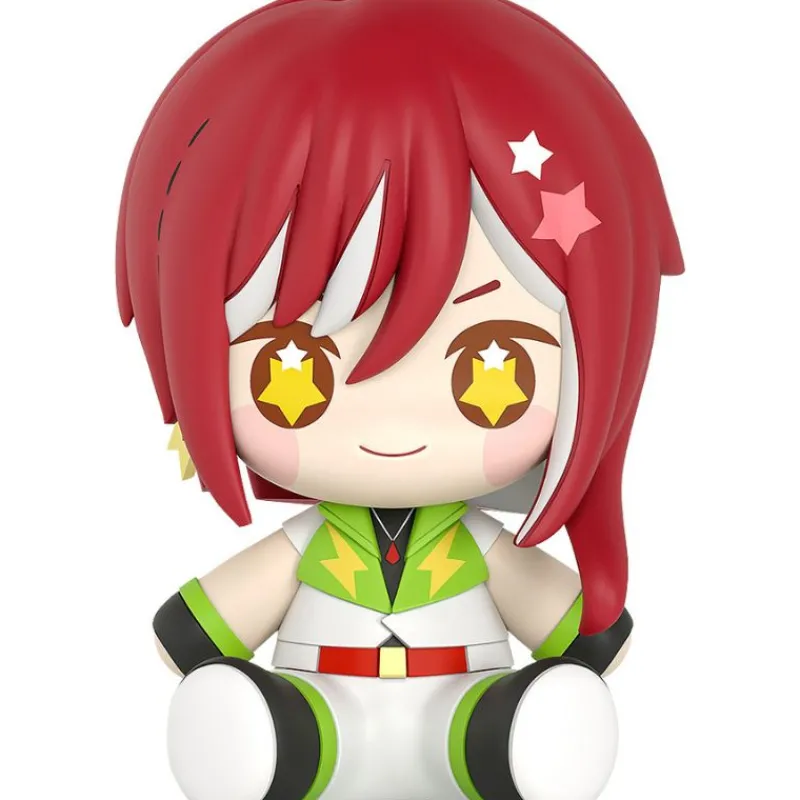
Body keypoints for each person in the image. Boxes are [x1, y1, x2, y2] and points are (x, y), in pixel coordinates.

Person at [116, 0, 683, 797]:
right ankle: (269, 745)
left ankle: (515, 746)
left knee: (518, 729)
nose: (391, 412)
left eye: (487, 362)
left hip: (466, 719)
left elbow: (595, 638)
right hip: (320, 715)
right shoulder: (308, 547)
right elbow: (188, 634)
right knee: (266, 732)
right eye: (299, 362)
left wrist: (579, 655)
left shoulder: (482, 548)